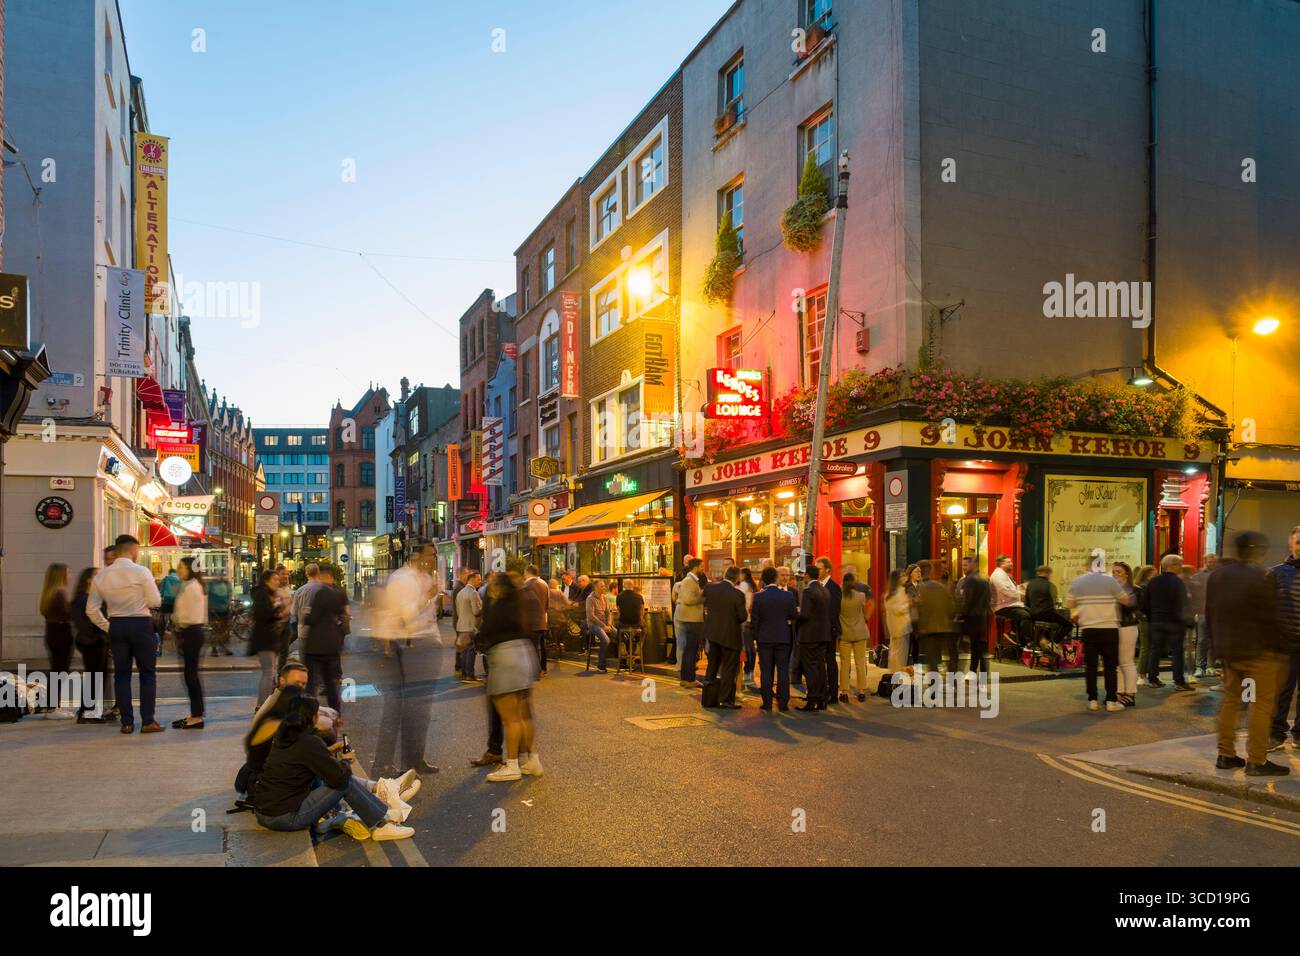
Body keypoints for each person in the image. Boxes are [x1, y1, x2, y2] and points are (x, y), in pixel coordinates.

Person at [253, 696, 416, 841]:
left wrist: (329, 751)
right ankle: (381, 825)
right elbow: (340, 778)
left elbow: (299, 760)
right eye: (317, 714)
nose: (320, 717)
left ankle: (380, 799)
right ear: (309, 718)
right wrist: (346, 761)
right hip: (286, 817)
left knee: (324, 774)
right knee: (345, 784)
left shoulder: (284, 736)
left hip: (265, 812)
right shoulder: (308, 742)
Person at [1208, 532, 1290, 776]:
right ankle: (1256, 760)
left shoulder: (1218, 575)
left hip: (1229, 651)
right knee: (1261, 704)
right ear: (1257, 551)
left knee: (1231, 701)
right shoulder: (1261, 576)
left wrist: (1215, 647)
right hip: (1259, 651)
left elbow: (1210, 612)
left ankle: (1226, 755)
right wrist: (1280, 648)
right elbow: (1269, 617)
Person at [375, 542, 441, 776]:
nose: (434, 559)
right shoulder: (404, 580)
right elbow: (407, 616)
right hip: (411, 645)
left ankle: (414, 759)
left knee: (420, 708)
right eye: (431, 555)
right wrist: (428, 596)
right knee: (400, 707)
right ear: (416, 556)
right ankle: (385, 764)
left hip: (422, 643)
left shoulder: (422, 578)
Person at [86, 535, 164, 734]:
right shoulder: (141, 571)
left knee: (122, 675)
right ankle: (148, 721)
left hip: (117, 625)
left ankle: (127, 722)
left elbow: (91, 609)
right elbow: (155, 601)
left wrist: (108, 626)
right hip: (140, 624)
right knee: (147, 674)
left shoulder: (101, 576)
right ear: (132, 550)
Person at [480, 573, 543, 782]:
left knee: (510, 718)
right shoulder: (521, 602)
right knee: (525, 714)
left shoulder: (499, 606)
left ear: (499, 587)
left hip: (505, 658)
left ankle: (512, 764)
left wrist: (471, 639)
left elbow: (486, 631)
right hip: (525, 654)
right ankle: (532, 760)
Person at [1067, 551, 1135, 712]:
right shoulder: (1110, 581)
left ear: (1087, 565)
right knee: (1110, 667)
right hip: (1110, 628)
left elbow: (1070, 605)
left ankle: (1093, 700)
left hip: (1089, 629)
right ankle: (1111, 701)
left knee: (1090, 667)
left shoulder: (1077, 582)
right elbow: (1126, 600)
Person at [1140, 553, 1193, 690]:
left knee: (1155, 650)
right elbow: (1183, 602)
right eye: (1179, 564)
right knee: (1176, 652)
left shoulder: (1153, 581)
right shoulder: (1177, 582)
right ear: (1171, 566)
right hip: (1174, 622)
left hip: (1156, 621)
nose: (1181, 567)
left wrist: (1152, 617)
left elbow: (1144, 603)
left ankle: (1152, 678)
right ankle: (1178, 681)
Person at [1269, 526, 1300, 749]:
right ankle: (1276, 734)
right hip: (1285, 642)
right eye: (1299, 542)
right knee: (1283, 690)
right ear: (1290, 545)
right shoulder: (1276, 573)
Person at [750, 566, 797, 712]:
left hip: (765, 639)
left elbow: (755, 621)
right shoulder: (787, 596)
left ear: (763, 580)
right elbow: (793, 615)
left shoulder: (758, 597)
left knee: (766, 671)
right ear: (776, 578)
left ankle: (767, 702)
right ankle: (783, 703)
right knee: (783, 670)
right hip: (783, 637)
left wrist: (757, 637)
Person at [305, 566, 350, 715]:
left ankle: (309, 712)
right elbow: (344, 613)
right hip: (332, 643)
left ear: (323, 577)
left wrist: (307, 617)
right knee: (330, 682)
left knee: (311, 682)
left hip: (316, 644)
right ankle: (336, 712)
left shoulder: (320, 594)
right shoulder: (339, 594)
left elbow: (313, 618)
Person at [170, 557, 208, 729]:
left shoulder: (191, 587)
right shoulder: (194, 585)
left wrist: (175, 623)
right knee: (190, 675)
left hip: (190, 633)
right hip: (193, 633)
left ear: (189, 569)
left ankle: (197, 716)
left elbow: (185, 616)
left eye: (181, 567)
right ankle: (196, 714)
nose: (178, 570)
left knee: (190, 676)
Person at [703, 566, 747, 709]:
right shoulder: (738, 594)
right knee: (729, 668)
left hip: (713, 634)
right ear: (736, 578)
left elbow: (704, 604)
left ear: (725, 575)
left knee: (712, 666)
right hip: (730, 637)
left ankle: (708, 699)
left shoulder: (710, 588)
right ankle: (725, 699)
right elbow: (742, 616)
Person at [70, 568, 110, 722]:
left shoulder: (92, 597)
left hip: (97, 641)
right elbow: (83, 623)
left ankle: (90, 710)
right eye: (96, 575)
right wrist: (98, 637)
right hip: (92, 643)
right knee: (94, 678)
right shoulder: (82, 599)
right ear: (88, 580)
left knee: (96, 677)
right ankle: (87, 712)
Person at [796, 563, 831, 711]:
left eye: (804, 574)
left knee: (810, 668)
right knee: (820, 666)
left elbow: (805, 615)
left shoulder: (808, 591)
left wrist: (796, 613)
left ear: (808, 575)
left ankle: (812, 699)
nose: (803, 577)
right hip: (823, 634)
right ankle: (822, 698)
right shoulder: (824, 590)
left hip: (809, 635)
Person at [914, 559, 958, 677]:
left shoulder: (919, 589)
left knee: (932, 660)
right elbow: (952, 608)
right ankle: (950, 680)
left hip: (927, 629)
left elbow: (916, 610)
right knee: (946, 656)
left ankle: (934, 688)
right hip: (944, 628)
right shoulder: (941, 587)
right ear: (931, 571)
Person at [838, 572, 872, 701]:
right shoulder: (861, 596)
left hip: (845, 633)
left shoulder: (840, 597)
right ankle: (862, 690)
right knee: (860, 662)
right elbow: (863, 613)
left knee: (845, 663)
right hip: (860, 632)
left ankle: (844, 692)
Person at [250, 569, 282, 707]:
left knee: (270, 672)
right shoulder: (262, 594)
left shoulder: (267, 593)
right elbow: (263, 614)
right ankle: (261, 706)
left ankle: (266, 704)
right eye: (275, 579)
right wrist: (276, 608)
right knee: (268, 672)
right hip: (265, 638)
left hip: (268, 637)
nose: (278, 582)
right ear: (266, 580)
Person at [954, 557, 991, 676]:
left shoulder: (970, 580)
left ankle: (959, 672)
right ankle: (977, 670)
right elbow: (988, 599)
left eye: (966, 565)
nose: (964, 567)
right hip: (980, 616)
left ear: (973, 564)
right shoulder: (984, 579)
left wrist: (959, 615)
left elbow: (967, 600)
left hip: (970, 617)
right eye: (962, 565)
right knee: (977, 645)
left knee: (958, 645)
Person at [673, 559, 706, 687]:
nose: (702, 568)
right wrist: (703, 597)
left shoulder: (691, 581)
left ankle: (686, 679)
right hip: (691, 619)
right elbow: (688, 599)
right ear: (695, 567)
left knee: (689, 650)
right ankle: (689, 679)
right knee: (691, 650)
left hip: (690, 618)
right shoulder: (689, 581)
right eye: (701, 566)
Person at [39, 563, 74, 681]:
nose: (70, 576)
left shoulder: (49, 593)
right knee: (60, 671)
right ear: (61, 576)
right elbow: (68, 614)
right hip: (62, 633)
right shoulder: (60, 592)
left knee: (56, 668)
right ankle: (52, 698)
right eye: (68, 573)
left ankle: (51, 698)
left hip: (51, 631)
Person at [1113, 562, 1140, 707]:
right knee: (1118, 663)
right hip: (1116, 627)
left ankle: (1130, 693)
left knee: (1127, 662)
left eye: (1119, 572)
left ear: (1126, 574)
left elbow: (1132, 605)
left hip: (1127, 627)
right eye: (1113, 572)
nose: (1116, 574)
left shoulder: (1131, 589)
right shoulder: (1114, 589)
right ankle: (1120, 692)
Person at [1188, 553, 1220, 678]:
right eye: (1210, 561)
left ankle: (1210, 666)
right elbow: (1194, 595)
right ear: (1205, 561)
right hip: (1202, 611)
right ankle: (1199, 667)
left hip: (1217, 613)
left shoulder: (1220, 575)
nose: (1212, 563)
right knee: (1201, 640)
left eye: (1214, 562)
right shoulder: (1198, 576)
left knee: (1213, 640)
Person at [816, 557, 842, 705]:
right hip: (820, 631)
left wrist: (828, 629)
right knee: (821, 662)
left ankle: (833, 694)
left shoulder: (833, 587)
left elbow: (834, 611)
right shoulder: (819, 585)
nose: (817, 571)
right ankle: (823, 691)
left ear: (827, 569)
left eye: (819, 568)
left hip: (828, 631)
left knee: (830, 661)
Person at [990, 555, 1032, 647]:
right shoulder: (998, 575)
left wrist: (1021, 587)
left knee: (1033, 613)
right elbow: (1006, 592)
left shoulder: (1003, 574)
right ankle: (1029, 642)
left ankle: (1021, 640)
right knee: (1026, 616)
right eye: (1008, 562)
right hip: (1002, 607)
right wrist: (1022, 593)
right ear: (1001, 564)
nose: (1011, 564)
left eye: (1011, 562)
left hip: (1009, 604)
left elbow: (1011, 590)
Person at [1024, 565, 1072, 641]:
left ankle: (1043, 641)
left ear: (1038, 573)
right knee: (1068, 625)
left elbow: (1027, 602)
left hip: (1033, 616)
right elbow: (1054, 602)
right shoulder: (1050, 585)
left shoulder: (1030, 584)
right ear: (1048, 573)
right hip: (1047, 614)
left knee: (1048, 625)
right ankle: (1054, 642)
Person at [520, 564, 550, 677]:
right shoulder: (544, 584)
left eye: (524, 572)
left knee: (533, 647)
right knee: (542, 646)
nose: (523, 574)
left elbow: (523, 605)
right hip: (542, 620)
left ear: (528, 572)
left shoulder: (526, 585)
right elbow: (547, 603)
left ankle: (535, 670)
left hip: (530, 622)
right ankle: (543, 668)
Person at [290, 563, 323, 661]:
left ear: (306, 574)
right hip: (322, 631)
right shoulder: (324, 589)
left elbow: (294, 612)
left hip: (304, 630)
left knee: (304, 660)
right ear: (318, 573)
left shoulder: (300, 591)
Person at [455, 571, 483, 680]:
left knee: (465, 651)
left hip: (461, 625)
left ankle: (464, 674)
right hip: (470, 626)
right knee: (471, 650)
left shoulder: (460, 592)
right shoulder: (473, 593)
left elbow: (458, 612)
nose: (480, 582)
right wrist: (482, 606)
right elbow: (476, 612)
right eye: (478, 579)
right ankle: (470, 675)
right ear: (472, 579)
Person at [884, 570, 913, 674]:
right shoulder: (900, 591)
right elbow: (898, 609)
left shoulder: (889, 593)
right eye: (902, 575)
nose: (905, 577)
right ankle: (899, 677)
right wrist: (908, 604)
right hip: (902, 627)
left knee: (894, 654)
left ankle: (893, 674)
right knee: (901, 655)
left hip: (893, 627)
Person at [1133, 565, 1157, 685]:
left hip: (1151, 619)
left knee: (1150, 648)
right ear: (1148, 575)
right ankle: (1142, 674)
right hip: (1146, 620)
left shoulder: (1148, 587)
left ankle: (1149, 674)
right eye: (1154, 573)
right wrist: (1142, 616)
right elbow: (1138, 606)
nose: (1156, 575)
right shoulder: (1142, 588)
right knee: (1146, 647)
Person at [615, 578, 646, 667]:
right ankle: (639, 645)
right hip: (636, 623)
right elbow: (642, 611)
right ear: (632, 586)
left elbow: (618, 611)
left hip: (623, 623)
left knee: (617, 626)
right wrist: (640, 619)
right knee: (645, 628)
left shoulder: (619, 596)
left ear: (624, 586)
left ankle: (622, 645)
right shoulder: (639, 596)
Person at [585, 578, 613, 673]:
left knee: (621, 635)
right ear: (596, 587)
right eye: (602, 586)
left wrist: (608, 624)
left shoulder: (604, 597)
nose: (604, 588)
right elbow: (591, 616)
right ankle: (601, 665)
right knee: (606, 640)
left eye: (604, 586)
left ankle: (622, 662)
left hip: (605, 624)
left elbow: (608, 613)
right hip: (593, 625)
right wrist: (603, 626)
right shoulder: (590, 599)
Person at [738, 567, 758, 687]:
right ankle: (750, 673)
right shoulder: (752, 585)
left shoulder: (744, 585)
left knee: (746, 648)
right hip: (751, 621)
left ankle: (747, 673)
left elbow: (745, 603)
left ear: (744, 574)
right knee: (751, 648)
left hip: (745, 621)